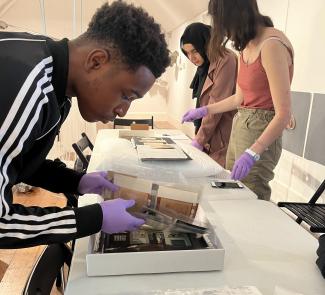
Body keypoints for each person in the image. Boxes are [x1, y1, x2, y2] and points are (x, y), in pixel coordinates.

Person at [0, 1, 170, 248]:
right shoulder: (30, 86)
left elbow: (18, 161)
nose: (123, 111)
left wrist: (75, 181)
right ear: (97, 61)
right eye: (126, 95)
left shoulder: (55, 84)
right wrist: (95, 218)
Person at [182, 0, 294, 200]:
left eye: (225, 26)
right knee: (234, 194)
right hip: (240, 124)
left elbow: (283, 114)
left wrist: (255, 151)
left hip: (261, 129)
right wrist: (205, 110)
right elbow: (239, 98)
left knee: (251, 197)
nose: (226, 34)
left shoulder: (271, 45)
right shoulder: (247, 47)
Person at [180, 23, 237, 167]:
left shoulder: (225, 59)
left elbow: (216, 103)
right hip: (207, 134)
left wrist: (199, 140)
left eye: (194, 51)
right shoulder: (204, 66)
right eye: (187, 53)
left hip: (221, 135)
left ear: (205, 44)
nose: (191, 57)